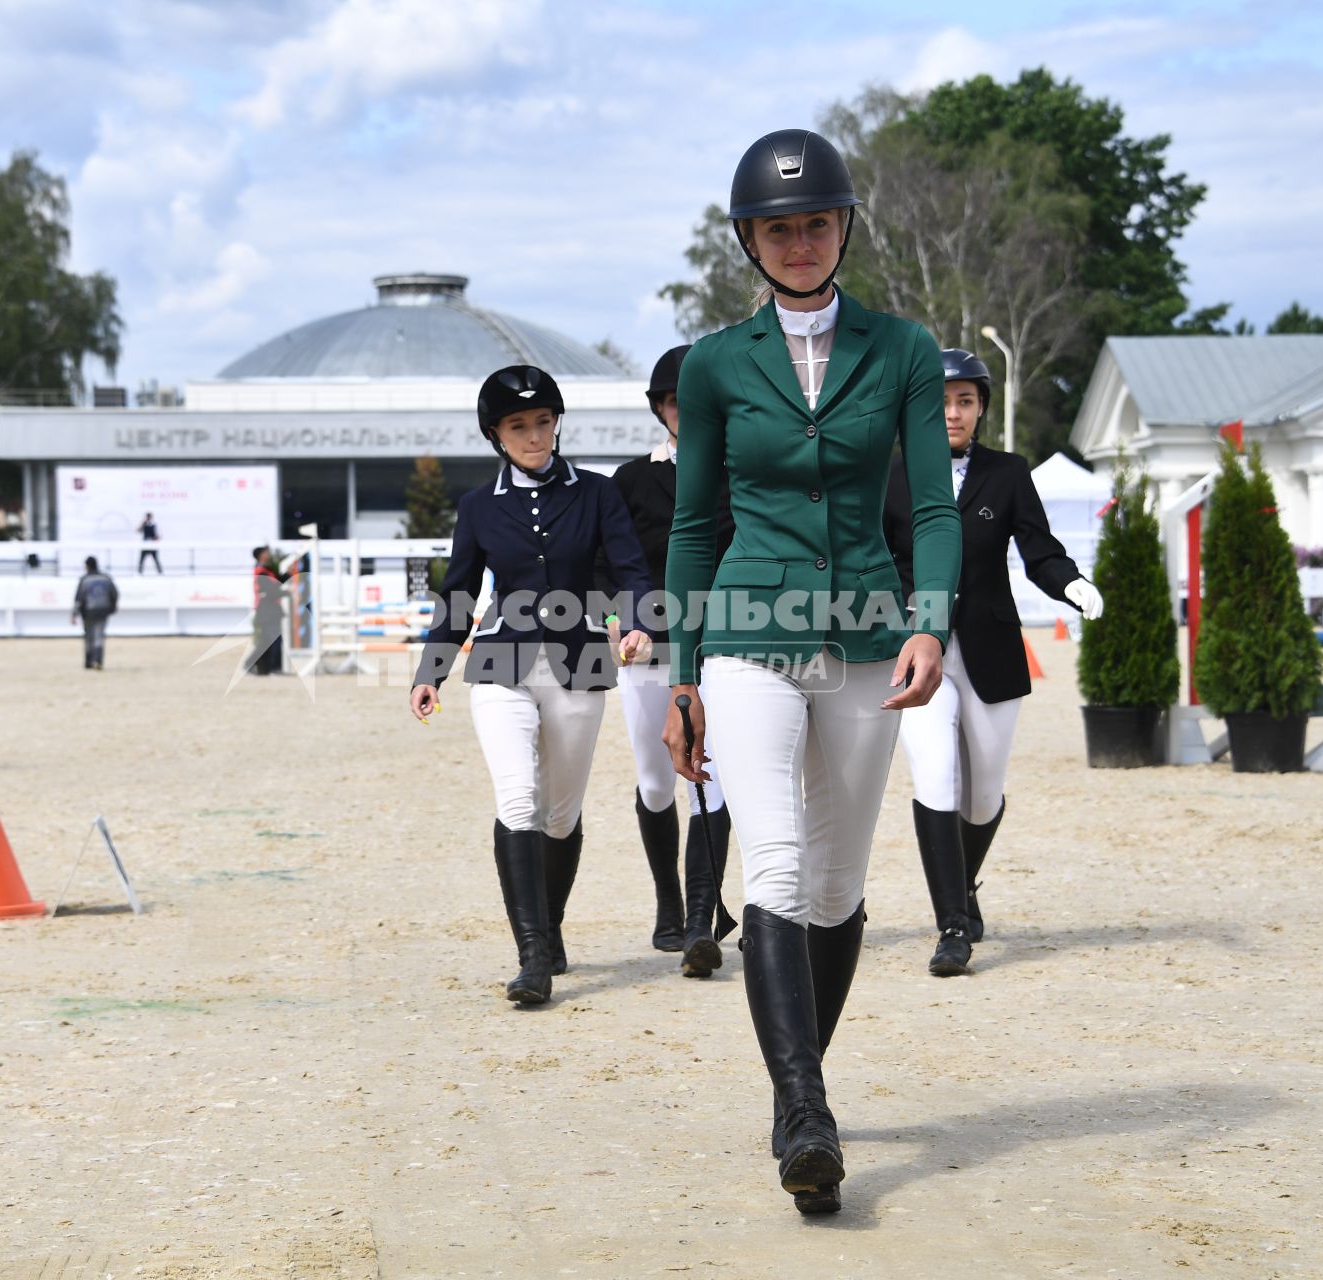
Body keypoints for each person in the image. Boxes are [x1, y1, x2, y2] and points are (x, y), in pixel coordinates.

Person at [662, 129, 962, 1215]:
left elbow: (931, 504)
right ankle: (804, 1110)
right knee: (778, 866)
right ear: (749, 238)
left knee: (839, 886)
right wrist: (687, 672)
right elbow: (694, 525)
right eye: (778, 227)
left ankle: (804, 1082)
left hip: (874, 634)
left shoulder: (907, 349)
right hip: (749, 623)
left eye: (816, 222)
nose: (798, 242)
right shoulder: (713, 364)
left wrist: (930, 622)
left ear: (843, 228)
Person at [409, 365, 655, 1006]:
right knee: (518, 800)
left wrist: (636, 625)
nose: (534, 435)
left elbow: (630, 571)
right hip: (500, 666)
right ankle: (533, 956)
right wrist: (431, 671)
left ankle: (551, 923)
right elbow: (459, 595)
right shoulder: (477, 507)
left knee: (561, 813)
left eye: (543, 422)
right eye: (519, 426)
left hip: (579, 667)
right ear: (496, 433)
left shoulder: (599, 495)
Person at [884, 348, 1103, 977]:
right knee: (934, 775)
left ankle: (964, 885)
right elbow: (870, 553)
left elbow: (1039, 549)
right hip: (915, 647)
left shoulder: (1008, 473)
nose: (952, 413)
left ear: (980, 407)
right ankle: (952, 926)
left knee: (980, 800)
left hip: (990, 647)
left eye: (965, 401)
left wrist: (1072, 585)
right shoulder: (892, 474)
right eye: (941, 401)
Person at [603, 343, 738, 977]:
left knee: (709, 777)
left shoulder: (744, 472)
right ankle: (668, 900)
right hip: (651, 650)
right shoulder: (630, 482)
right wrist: (620, 624)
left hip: (728, 646)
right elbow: (611, 569)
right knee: (658, 782)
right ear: (662, 408)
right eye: (678, 401)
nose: (689, 410)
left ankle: (699, 922)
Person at [71, 556, 119, 670]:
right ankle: (98, 660)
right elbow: (114, 593)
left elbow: (79, 598)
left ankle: (89, 661)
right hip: (103, 610)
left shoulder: (84, 580)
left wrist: (75, 614)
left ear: (87, 566)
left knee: (89, 637)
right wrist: (112, 607)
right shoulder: (106, 578)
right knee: (99, 636)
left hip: (88, 611)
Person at [250, 545, 289, 675]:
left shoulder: (266, 570)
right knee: (275, 639)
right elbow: (271, 591)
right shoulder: (261, 572)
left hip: (269, 610)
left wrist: (289, 573)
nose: (269, 554)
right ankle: (275, 668)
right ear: (261, 555)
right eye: (266, 552)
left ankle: (251, 665)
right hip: (267, 610)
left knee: (266, 641)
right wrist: (288, 593)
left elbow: (277, 583)